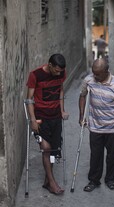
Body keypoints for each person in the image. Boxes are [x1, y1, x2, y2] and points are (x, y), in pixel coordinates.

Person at [79, 58, 114, 192]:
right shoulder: (89, 80)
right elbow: (82, 96)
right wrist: (81, 115)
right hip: (95, 125)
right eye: (94, 73)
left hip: (113, 126)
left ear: (106, 71)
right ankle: (94, 180)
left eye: (98, 74)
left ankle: (110, 179)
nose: (95, 76)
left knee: (112, 155)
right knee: (96, 154)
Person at [26, 53, 69, 195]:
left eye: (61, 71)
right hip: (41, 118)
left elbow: (61, 90)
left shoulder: (61, 73)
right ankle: (52, 183)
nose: (59, 73)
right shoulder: (35, 75)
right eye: (56, 70)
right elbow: (29, 98)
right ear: (49, 65)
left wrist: (62, 110)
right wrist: (32, 120)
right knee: (46, 148)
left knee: (53, 150)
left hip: (55, 116)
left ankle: (46, 180)